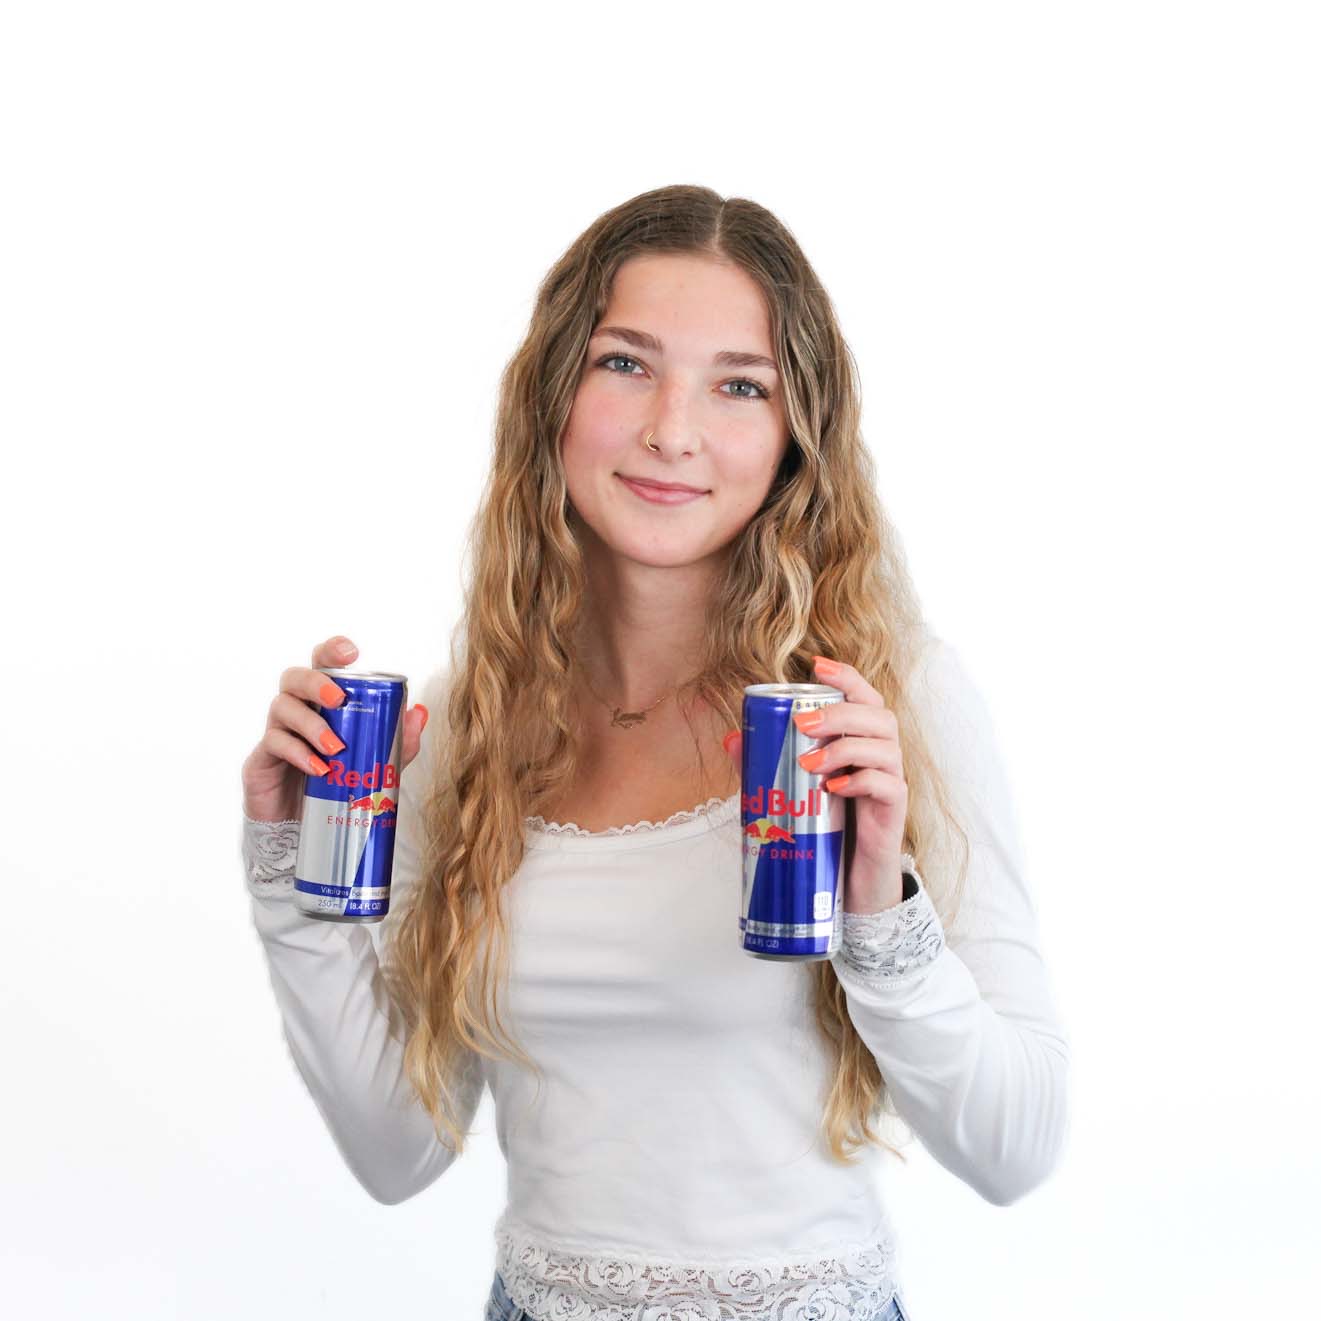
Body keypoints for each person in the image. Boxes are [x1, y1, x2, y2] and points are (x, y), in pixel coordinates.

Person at [239, 184, 1070, 1321]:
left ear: (794, 440)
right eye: (626, 364)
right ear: (553, 394)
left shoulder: (889, 705)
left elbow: (1015, 1147)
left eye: (740, 385)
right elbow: (396, 1152)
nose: (671, 429)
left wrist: (882, 907)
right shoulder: (473, 718)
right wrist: (291, 870)